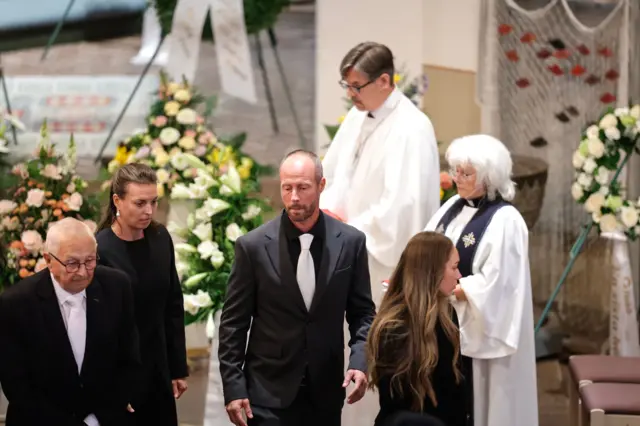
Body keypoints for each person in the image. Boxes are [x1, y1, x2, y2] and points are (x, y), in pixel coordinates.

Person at [218, 149, 376, 426]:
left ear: (321, 185)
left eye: (303, 188)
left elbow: (363, 313)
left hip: (325, 391)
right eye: (287, 187)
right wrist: (233, 386)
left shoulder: (350, 242)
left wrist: (359, 361)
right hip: (267, 393)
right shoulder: (252, 246)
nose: (294, 197)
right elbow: (233, 324)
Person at [424, 134, 538, 426]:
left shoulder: (506, 220)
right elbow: (424, 248)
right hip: (442, 326)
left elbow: (499, 286)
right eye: (455, 170)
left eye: (466, 173)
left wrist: (448, 289)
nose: (457, 178)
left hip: (479, 336)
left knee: (481, 407)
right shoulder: (450, 209)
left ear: (489, 176)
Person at [320, 41, 441, 302]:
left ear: (384, 81)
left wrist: (349, 230)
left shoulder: (412, 129)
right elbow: (333, 171)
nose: (350, 94)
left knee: (371, 334)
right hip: (344, 248)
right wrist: (325, 213)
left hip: (379, 261)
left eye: (356, 86)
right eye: (347, 86)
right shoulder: (357, 116)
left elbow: (404, 206)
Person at [0, 218, 140, 426]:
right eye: (72, 263)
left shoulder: (117, 287)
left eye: (90, 260)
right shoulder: (17, 303)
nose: (83, 272)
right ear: (48, 260)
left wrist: (97, 419)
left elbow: (129, 361)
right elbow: (17, 385)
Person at [95, 163, 188, 426]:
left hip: (158, 366)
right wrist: (111, 384)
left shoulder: (160, 238)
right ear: (117, 201)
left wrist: (177, 367)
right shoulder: (100, 248)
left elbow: (172, 304)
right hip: (121, 369)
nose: (148, 211)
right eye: (139, 203)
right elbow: (100, 327)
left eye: (153, 202)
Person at [367, 231, 466, 426]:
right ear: (433, 271)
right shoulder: (394, 328)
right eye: (454, 268)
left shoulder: (447, 314)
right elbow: (399, 404)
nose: (459, 275)